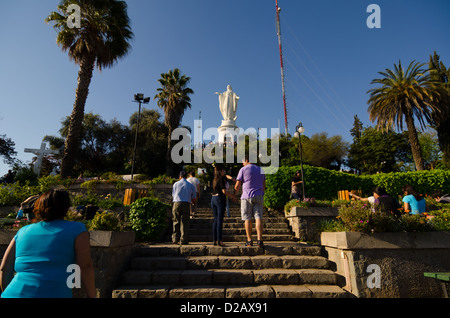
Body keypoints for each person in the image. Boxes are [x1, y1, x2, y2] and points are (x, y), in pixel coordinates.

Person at [0, 190, 95, 298]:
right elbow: (85, 266)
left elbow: (4, 268)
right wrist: (92, 296)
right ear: (66, 207)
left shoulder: (22, 231)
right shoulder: (77, 229)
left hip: (13, 293)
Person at [235, 155, 266, 248]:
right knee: (258, 217)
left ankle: (249, 240)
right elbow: (264, 184)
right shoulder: (261, 169)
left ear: (247, 160)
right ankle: (260, 240)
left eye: (243, 161)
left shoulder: (243, 169)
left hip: (247, 196)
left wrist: (234, 194)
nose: (242, 163)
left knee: (247, 218)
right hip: (259, 195)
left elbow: (237, 185)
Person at [211, 165, 236, 246]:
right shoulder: (221, 179)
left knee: (215, 220)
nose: (224, 172)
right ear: (220, 171)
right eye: (223, 171)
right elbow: (224, 191)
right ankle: (219, 240)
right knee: (219, 220)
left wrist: (232, 178)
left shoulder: (215, 179)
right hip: (219, 199)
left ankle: (214, 240)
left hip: (213, 199)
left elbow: (226, 176)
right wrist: (232, 196)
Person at [171, 171, 197, 245]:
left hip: (176, 203)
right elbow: (194, 198)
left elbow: (173, 194)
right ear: (186, 177)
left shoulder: (175, 184)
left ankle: (175, 238)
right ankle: (183, 239)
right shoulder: (190, 185)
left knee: (176, 221)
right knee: (185, 222)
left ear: (180, 177)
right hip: (186, 203)